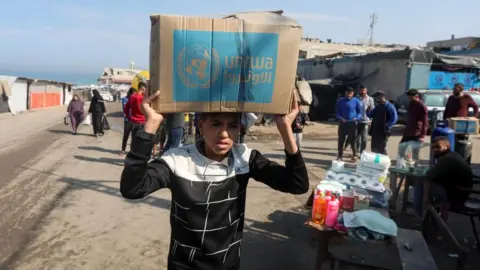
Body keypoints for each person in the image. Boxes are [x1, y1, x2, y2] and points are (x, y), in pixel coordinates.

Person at [120, 91, 309, 270]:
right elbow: (132, 189)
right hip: (184, 265)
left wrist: (285, 128)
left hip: (228, 264)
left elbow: (297, 184)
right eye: (216, 124)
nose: (224, 134)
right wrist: (151, 125)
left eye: (232, 126)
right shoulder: (177, 160)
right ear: (201, 126)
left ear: (240, 129)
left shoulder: (245, 158)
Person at [412, 137, 473, 219]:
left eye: (438, 147)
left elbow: (429, 177)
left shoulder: (446, 159)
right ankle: (432, 218)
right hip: (461, 192)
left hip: (457, 194)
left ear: (447, 146)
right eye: (433, 147)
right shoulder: (453, 155)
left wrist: (425, 198)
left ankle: (421, 216)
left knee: (421, 182)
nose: (435, 150)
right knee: (427, 183)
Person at [399, 89, 428, 160]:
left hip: (416, 133)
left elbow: (425, 122)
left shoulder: (422, 106)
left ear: (416, 96)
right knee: (402, 147)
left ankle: (416, 167)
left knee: (415, 152)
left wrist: (422, 136)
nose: (409, 99)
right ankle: (402, 164)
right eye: (409, 97)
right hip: (408, 131)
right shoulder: (411, 103)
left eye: (411, 97)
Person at [336, 87, 362, 162]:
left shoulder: (356, 101)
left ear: (353, 93)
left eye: (350, 93)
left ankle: (354, 154)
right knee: (341, 140)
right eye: (347, 93)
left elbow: (359, 113)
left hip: (352, 124)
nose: (349, 95)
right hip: (343, 124)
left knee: (352, 140)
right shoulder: (340, 101)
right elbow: (337, 113)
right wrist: (341, 118)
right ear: (345, 93)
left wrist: (356, 118)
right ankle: (340, 156)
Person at [124, 82, 147, 148]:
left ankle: (132, 154)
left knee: (134, 140)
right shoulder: (141, 98)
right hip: (142, 122)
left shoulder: (132, 96)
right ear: (143, 88)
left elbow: (126, 108)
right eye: (145, 89)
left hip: (134, 122)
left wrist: (129, 118)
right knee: (141, 141)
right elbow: (142, 111)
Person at [356, 85, 375, 156]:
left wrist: (371, 120)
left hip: (366, 121)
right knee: (357, 137)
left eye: (364, 90)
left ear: (366, 90)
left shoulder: (370, 99)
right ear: (359, 90)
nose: (363, 92)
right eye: (362, 90)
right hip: (357, 121)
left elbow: (373, 110)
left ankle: (362, 152)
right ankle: (357, 151)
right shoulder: (356, 99)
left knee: (364, 138)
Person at [120, 88, 135, 156]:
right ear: (130, 93)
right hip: (127, 120)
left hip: (134, 120)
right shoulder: (124, 99)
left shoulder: (135, 99)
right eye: (133, 94)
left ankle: (132, 151)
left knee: (134, 137)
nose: (134, 95)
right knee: (125, 136)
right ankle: (123, 150)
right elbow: (124, 109)